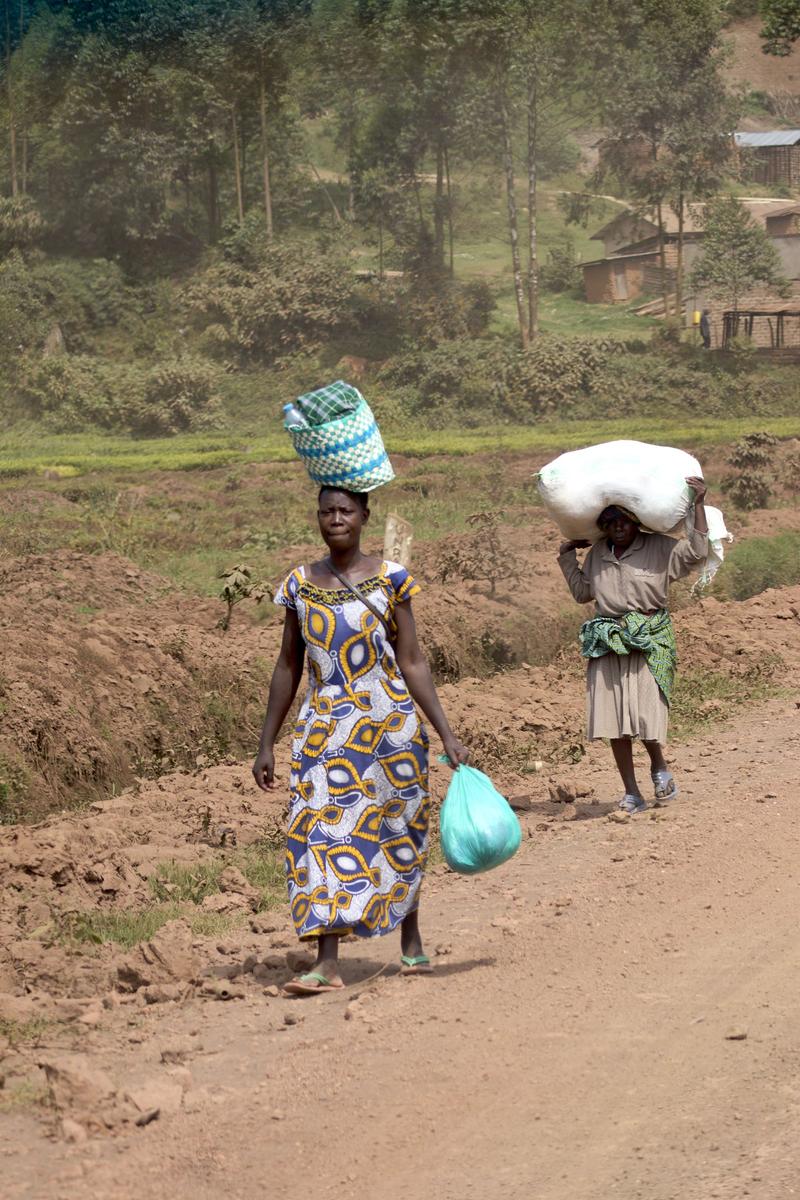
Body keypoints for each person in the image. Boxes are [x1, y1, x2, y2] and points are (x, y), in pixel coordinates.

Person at [253, 486, 469, 995]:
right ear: (317, 519)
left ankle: (410, 941)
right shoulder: (300, 585)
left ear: (364, 516)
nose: (336, 519)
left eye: (345, 510)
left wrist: (446, 731)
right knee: (325, 833)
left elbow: (412, 660)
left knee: (398, 824)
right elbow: (287, 665)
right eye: (327, 511)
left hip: (389, 724)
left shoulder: (391, 579)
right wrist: (267, 741)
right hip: (325, 728)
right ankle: (327, 961)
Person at [556, 478, 708, 813]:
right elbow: (583, 593)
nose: (618, 528)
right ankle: (631, 793)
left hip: (649, 638)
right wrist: (567, 557)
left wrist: (697, 504)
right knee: (613, 722)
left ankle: (658, 765)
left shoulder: (660, 548)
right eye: (610, 523)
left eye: (623, 520)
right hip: (609, 640)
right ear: (604, 528)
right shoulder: (598, 554)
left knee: (645, 715)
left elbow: (697, 552)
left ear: (635, 521)